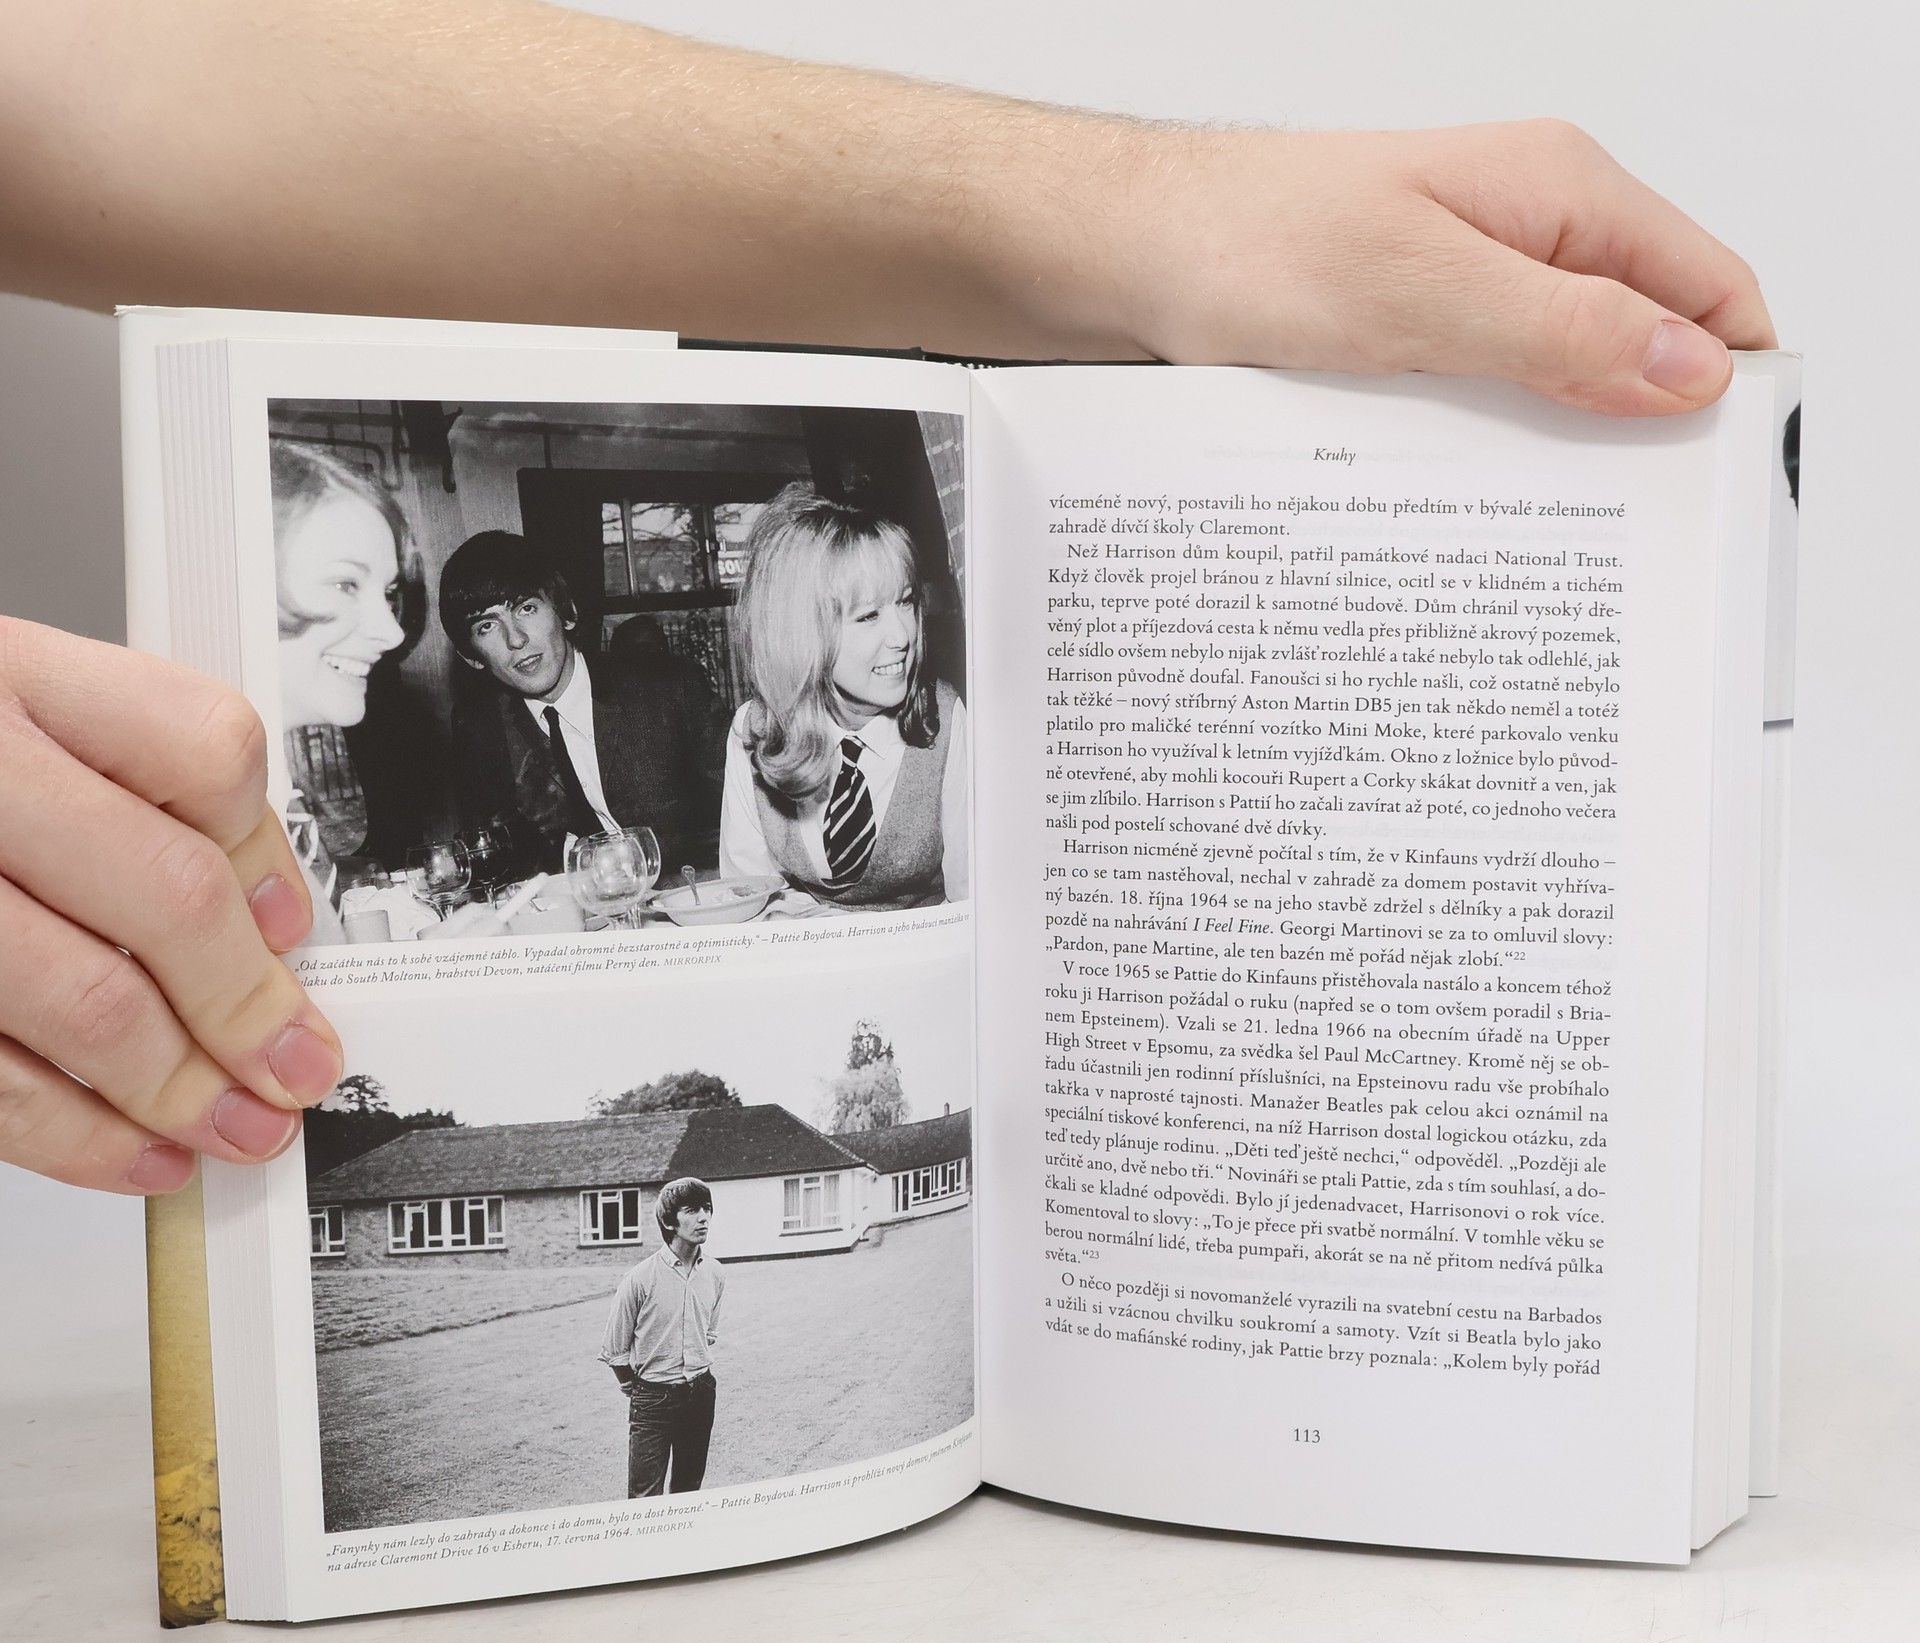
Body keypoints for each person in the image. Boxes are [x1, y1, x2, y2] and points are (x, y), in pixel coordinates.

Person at [0, 0, 1776, 1195]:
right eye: (859, 614)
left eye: (904, 605)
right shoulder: (723, 740)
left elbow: (118, 85)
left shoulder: (912, 722)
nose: (899, 637)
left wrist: (1160, 209)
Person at [720, 484, 967, 909]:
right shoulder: (755, 728)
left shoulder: (944, 715)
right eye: (869, 615)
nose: (902, 636)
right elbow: (748, 898)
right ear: (804, 633)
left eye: (905, 602)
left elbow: (971, 900)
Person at [440, 531, 725, 874]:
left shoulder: (670, 690)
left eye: (526, 608)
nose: (515, 639)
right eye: (487, 626)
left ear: (567, 612)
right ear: (472, 657)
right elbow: (496, 860)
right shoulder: (480, 729)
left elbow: (741, 818)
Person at [271, 442, 424, 939]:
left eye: (388, 593)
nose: (394, 634)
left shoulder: (270, 796)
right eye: (345, 585)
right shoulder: (187, 818)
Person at [598, 1178, 725, 1499]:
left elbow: (707, 1334)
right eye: (692, 1210)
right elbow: (614, 1350)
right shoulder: (640, 1278)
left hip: (700, 1393)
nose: (704, 1218)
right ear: (670, 1222)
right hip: (653, 1399)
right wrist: (639, 1389)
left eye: (707, 1208)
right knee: (645, 1499)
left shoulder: (715, 1273)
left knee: (688, 1491)